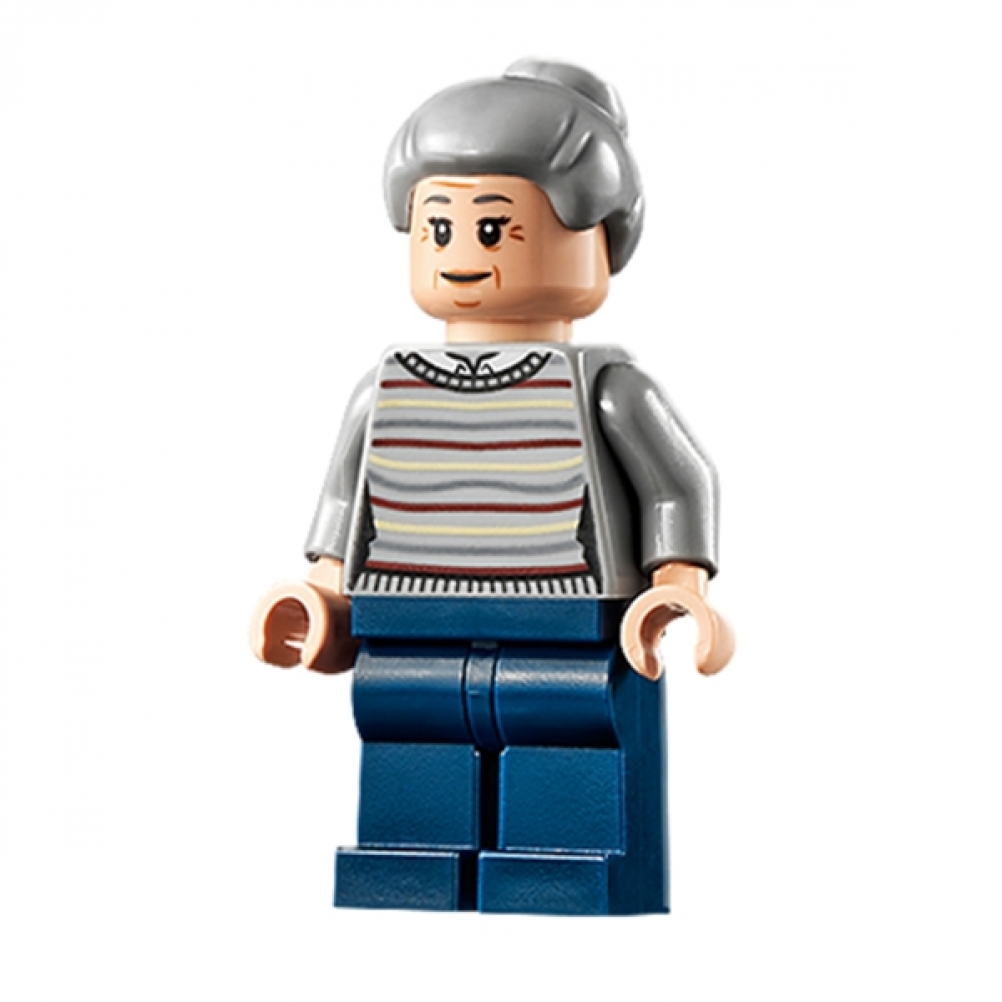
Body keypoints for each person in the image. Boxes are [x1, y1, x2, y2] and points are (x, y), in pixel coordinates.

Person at [251, 58, 733, 915]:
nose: (462, 256)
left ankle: (564, 863)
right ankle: (411, 857)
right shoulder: (386, 388)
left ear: (597, 236)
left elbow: (677, 484)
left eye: (497, 229)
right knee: (407, 723)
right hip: (406, 610)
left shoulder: (606, 388)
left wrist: (677, 584)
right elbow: (348, 506)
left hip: (566, 612)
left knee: (565, 726)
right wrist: (321, 594)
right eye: (438, 228)